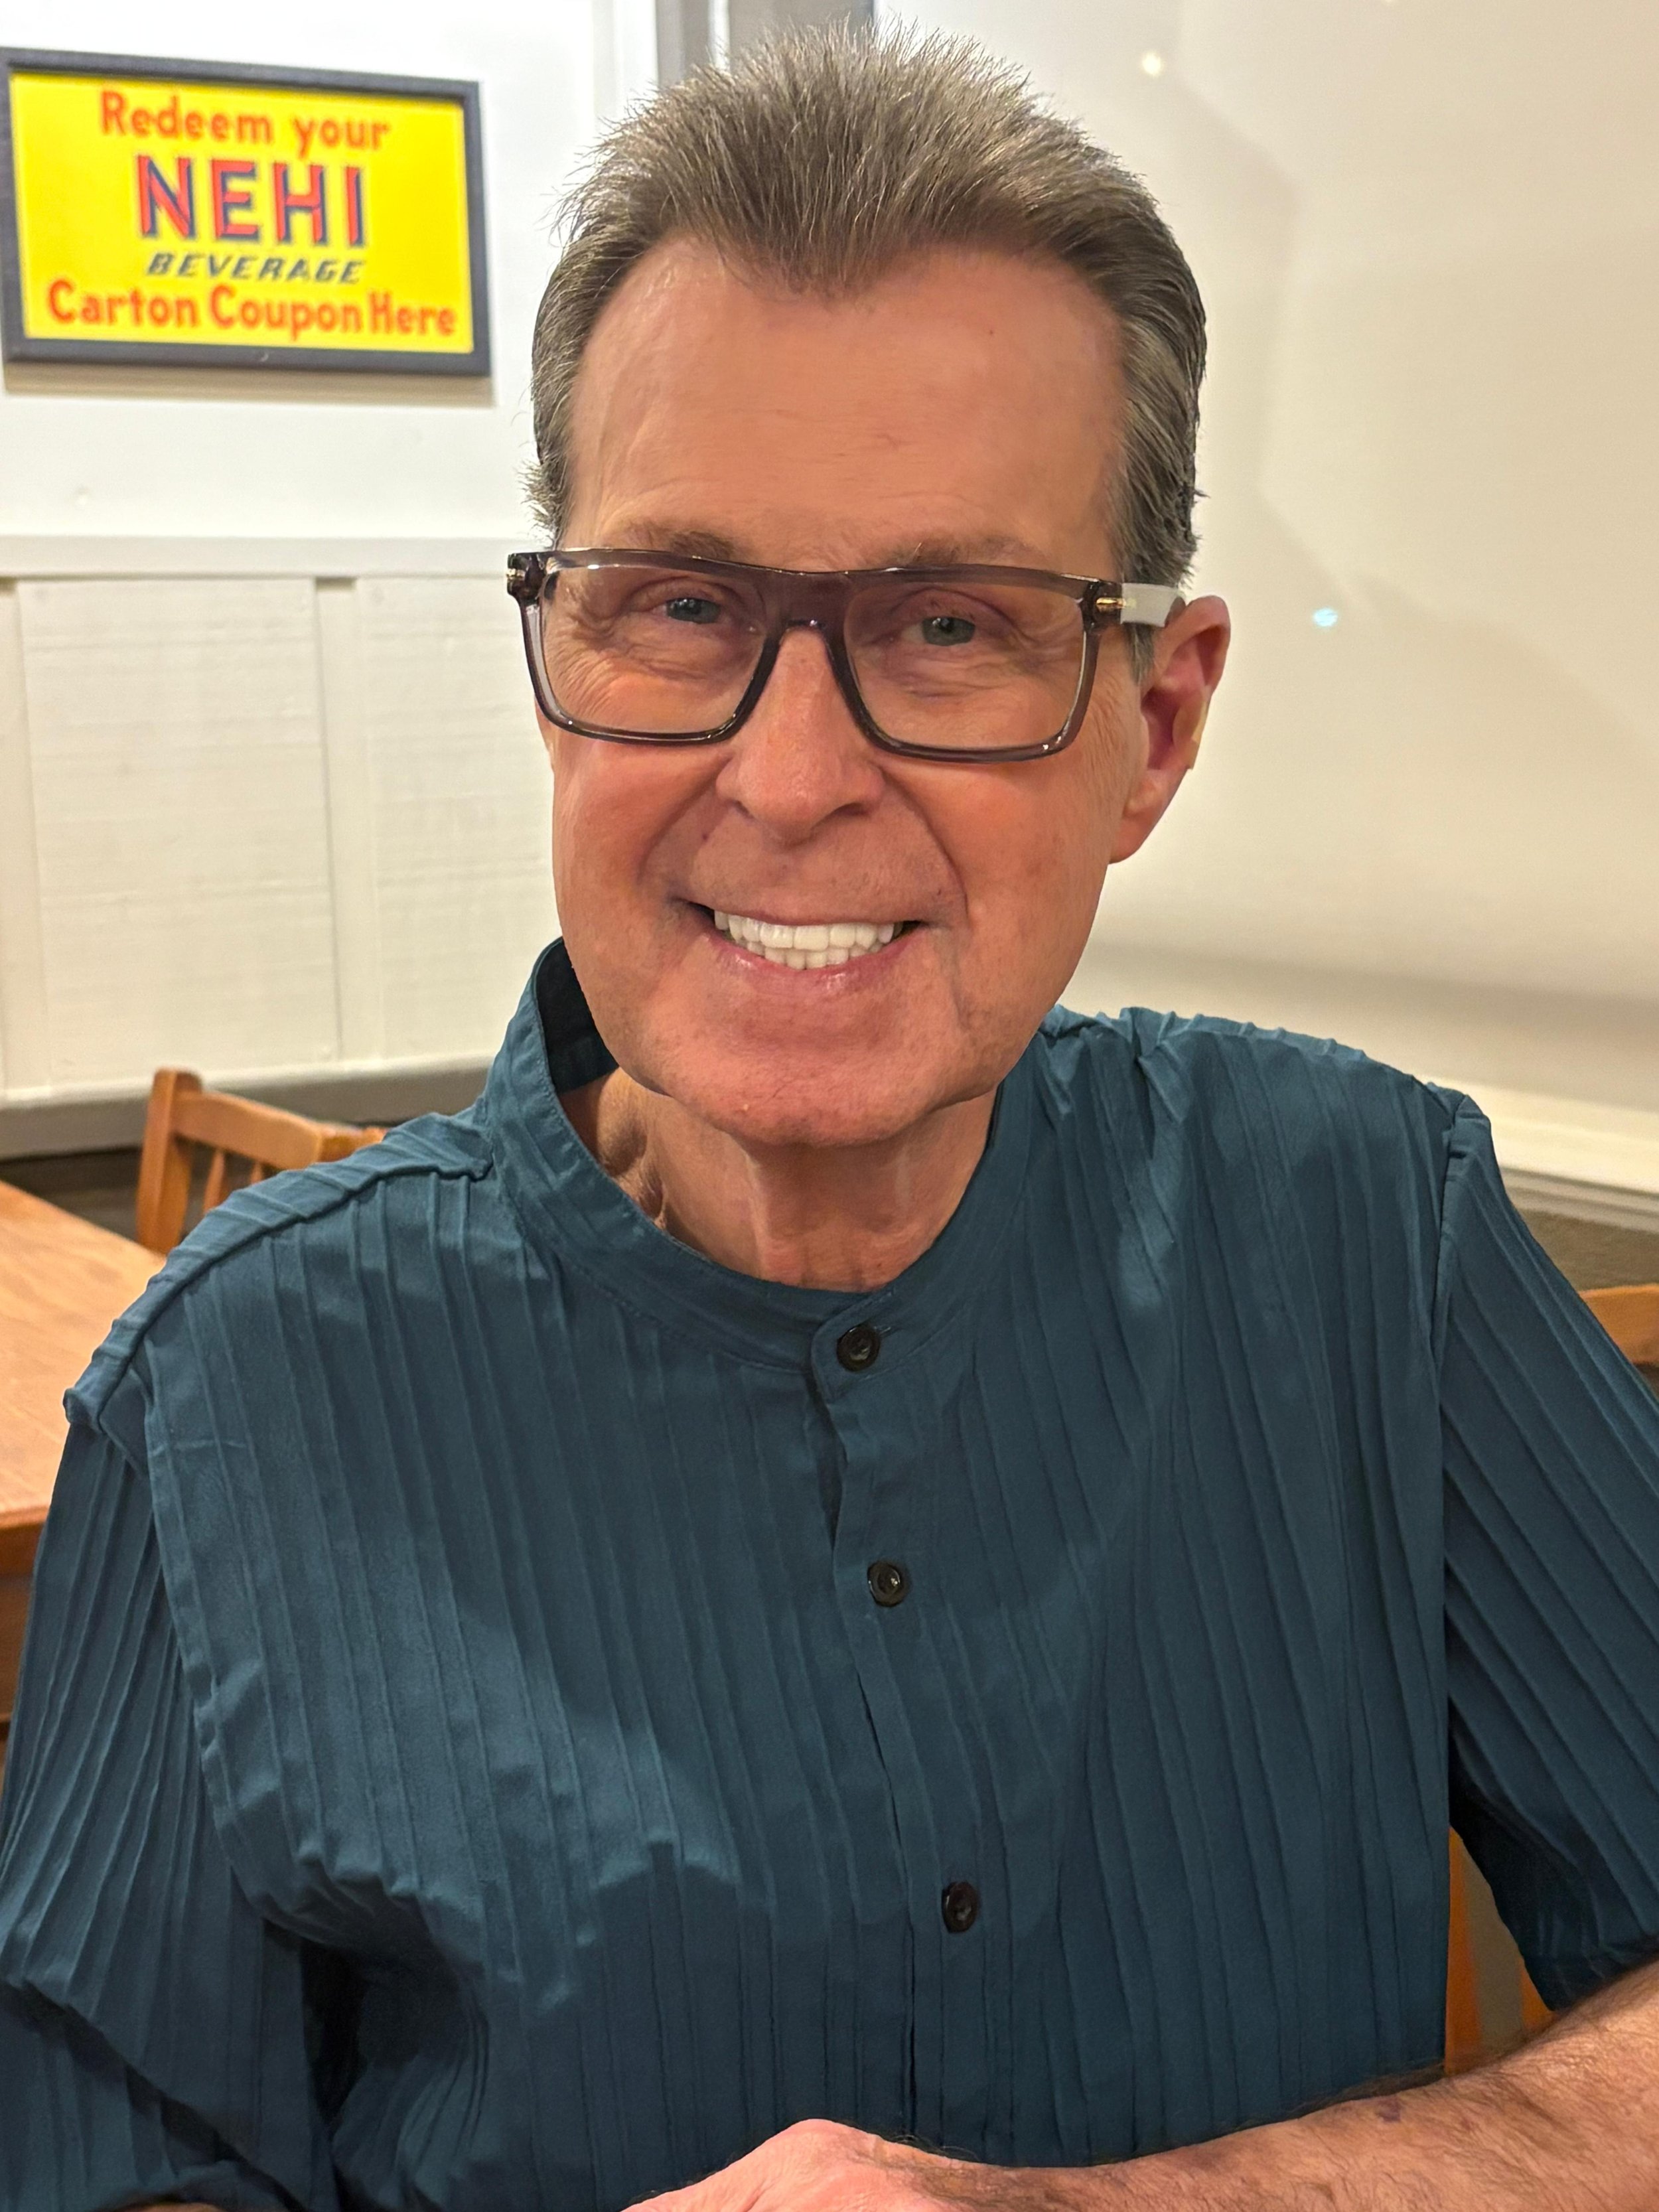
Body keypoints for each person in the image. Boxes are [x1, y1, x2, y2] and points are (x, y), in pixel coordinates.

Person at [3, 29, 1658, 2212]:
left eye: (951, 624)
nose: (787, 781)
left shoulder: (1373, 1236)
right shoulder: (230, 1394)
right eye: (682, 607)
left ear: (1153, 726)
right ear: (554, 671)